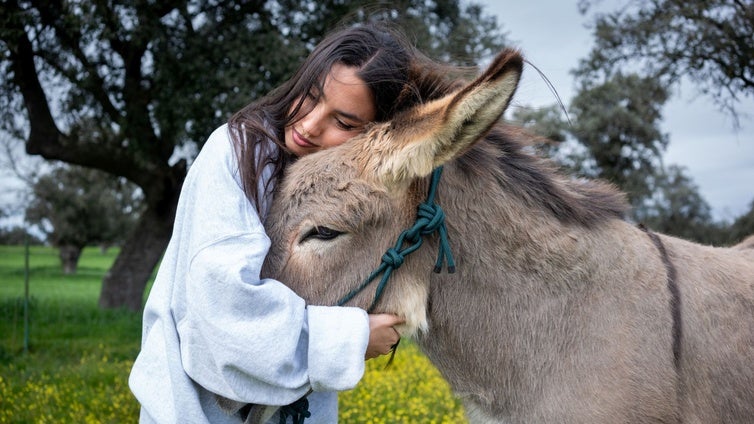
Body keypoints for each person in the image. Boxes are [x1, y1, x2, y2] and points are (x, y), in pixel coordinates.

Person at [129, 22, 431, 424]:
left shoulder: (340, 187)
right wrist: (352, 339)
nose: (308, 125)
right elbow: (224, 315)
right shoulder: (235, 153)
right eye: (310, 96)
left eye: (342, 123)